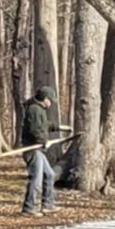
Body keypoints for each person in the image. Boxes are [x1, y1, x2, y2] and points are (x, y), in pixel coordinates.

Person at [19, 85, 70, 216]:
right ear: (45, 98)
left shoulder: (39, 110)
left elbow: (44, 124)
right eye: (50, 100)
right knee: (36, 178)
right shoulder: (34, 110)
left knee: (50, 175)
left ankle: (48, 204)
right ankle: (28, 208)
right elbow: (35, 130)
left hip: (38, 149)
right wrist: (43, 142)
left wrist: (59, 128)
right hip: (32, 149)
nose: (51, 103)